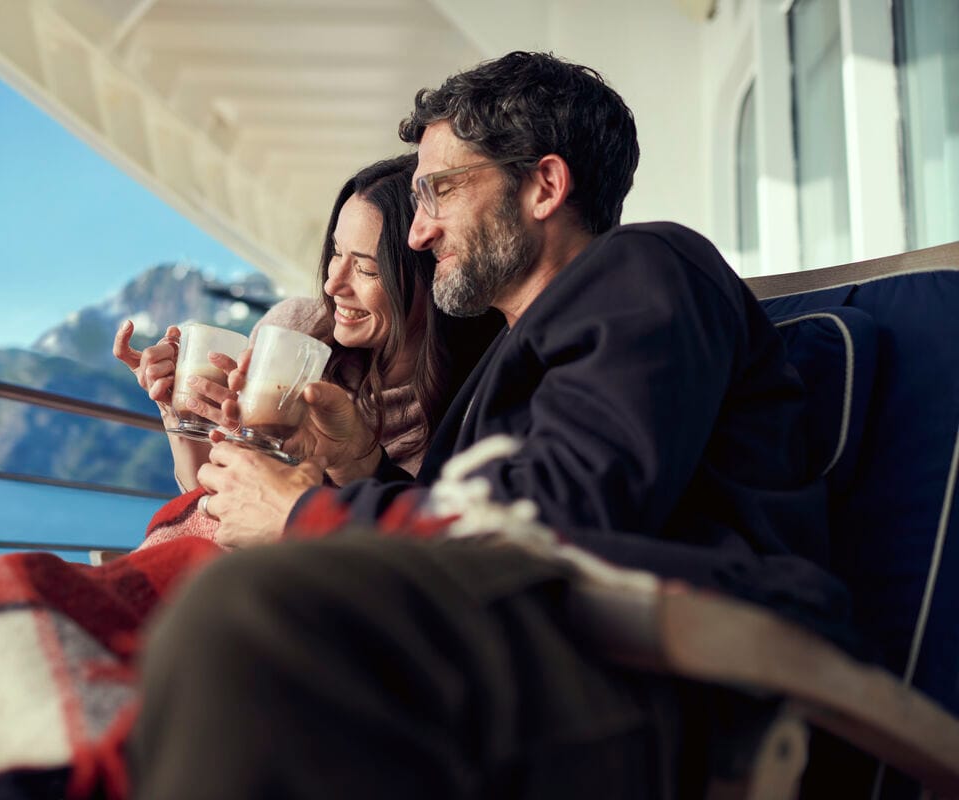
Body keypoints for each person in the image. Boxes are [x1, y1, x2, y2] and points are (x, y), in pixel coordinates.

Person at [128, 52, 853, 798]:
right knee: (143, 638)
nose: (418, 233)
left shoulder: (647, 268)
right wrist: (360, 464)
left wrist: (304, 514)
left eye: (439, 191)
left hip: (676, 678)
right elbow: (484, 531)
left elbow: (565, 520)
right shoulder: (516, 351)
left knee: (237, 615)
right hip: (538, 654)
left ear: (544, 186)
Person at [112, 154, 499, 502]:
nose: (332, 285)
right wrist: (178, 413)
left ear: (435, 274)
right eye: (336, 253)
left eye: (366, 269)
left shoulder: (471, 411)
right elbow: (208, 500)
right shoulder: (292, 331)